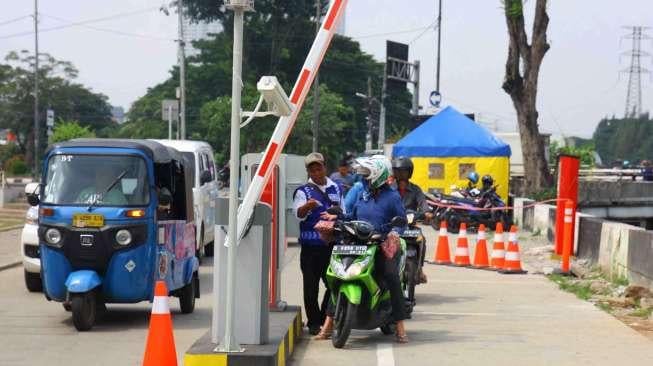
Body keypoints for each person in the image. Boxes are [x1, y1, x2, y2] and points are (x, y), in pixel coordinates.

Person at [315, 155, 409, 343]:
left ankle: (400, 326)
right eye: (364, 175)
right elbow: (352, 215)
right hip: (357, 243)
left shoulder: (392, 197)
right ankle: (327, 326)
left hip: (381, 245)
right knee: (339, 274)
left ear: (378, 174)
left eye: (368, 175)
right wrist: (338, 218)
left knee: (391, 276)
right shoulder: (362, 194)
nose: (364, 178)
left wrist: (394, 233)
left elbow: (402, 221)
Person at [292, 152, 344, 335]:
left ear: (325, 167)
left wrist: (337, 216)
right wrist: (307, 206)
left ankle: (325, 318)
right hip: (310, 248)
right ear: (308, 171)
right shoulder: (302, 191)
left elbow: (343, 212)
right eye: (312, 169)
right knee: (310, 287)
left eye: (318, 168)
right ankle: (314, 323)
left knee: (333, 285)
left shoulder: (336, 188)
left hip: (331, 246)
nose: (316, 172)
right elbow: (297, 214)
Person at [391, 156, 433, 284]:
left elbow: (423, 204)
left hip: (410, 226)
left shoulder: (416, 189)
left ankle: (419, 269)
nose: (401, 174)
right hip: (392, 227)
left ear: (409, 172)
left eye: (403, 171)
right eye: (398, 171)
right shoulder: (389, 189)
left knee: (422, 240)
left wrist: (427, 213)